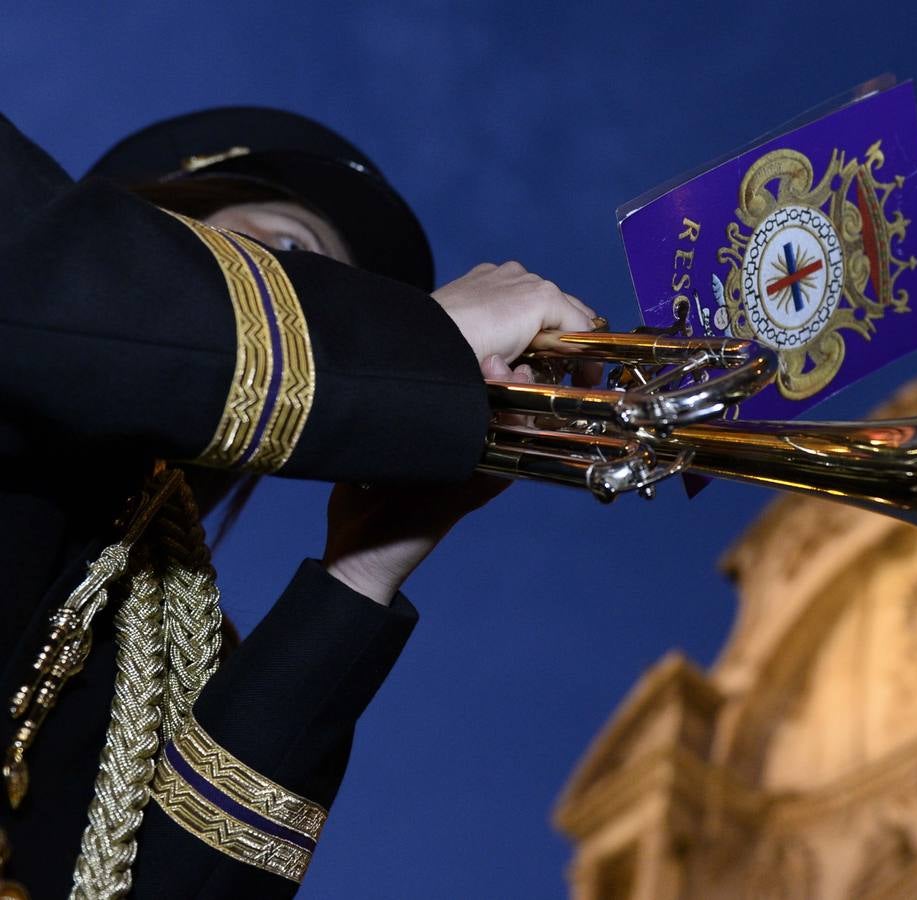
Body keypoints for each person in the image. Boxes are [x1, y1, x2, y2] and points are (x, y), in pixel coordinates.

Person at [0, 106, 596, 898]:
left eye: (339, 294)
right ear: (148, 217)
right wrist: (410, 347)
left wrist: (359, 575)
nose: (321, 302)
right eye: (290, 252)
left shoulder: (157, 631)